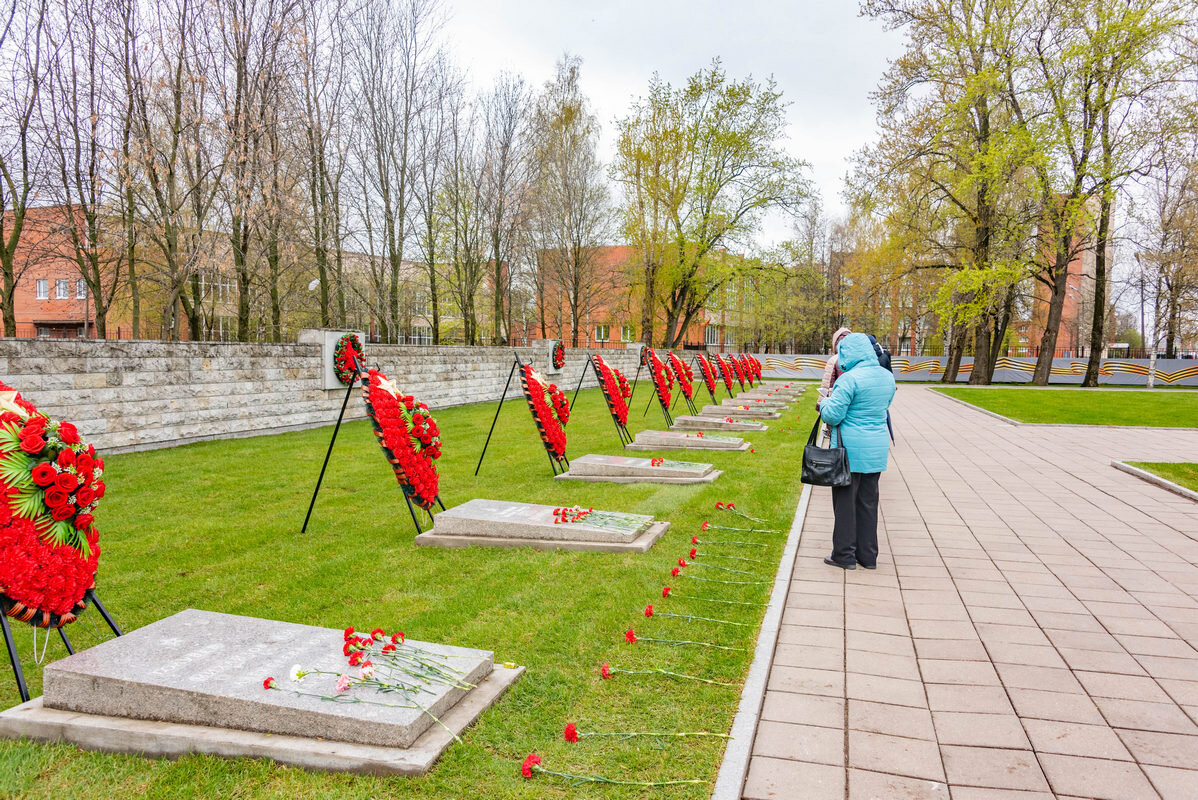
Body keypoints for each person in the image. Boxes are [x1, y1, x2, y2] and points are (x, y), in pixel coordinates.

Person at [817, 332, 897, 570]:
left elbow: (833, 415)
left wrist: (824, 403)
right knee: (868, 503)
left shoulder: (849, 379)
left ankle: (844, 555)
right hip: (876, 449)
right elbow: (884, 406)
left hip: (849, 452)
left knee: (845, 505)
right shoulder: (886, 377)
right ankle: (868, 556)